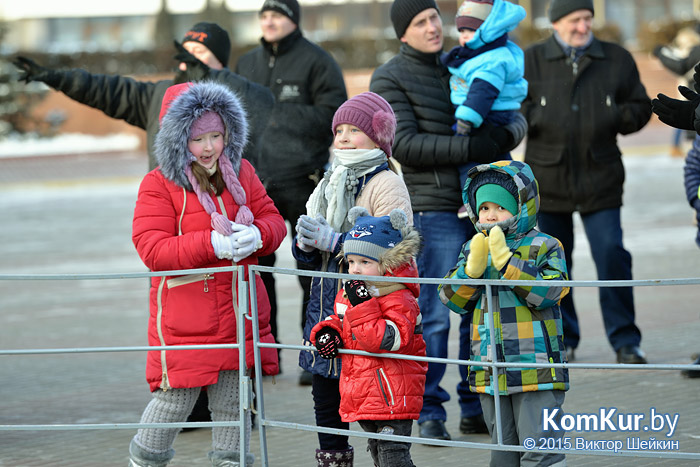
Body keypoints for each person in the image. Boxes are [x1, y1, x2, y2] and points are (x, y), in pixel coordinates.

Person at [370, 0, 527, 441]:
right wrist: (475, 149)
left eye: (434, 17)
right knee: (436, 313)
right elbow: (406, 146)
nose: (432, 27)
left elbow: (512, 108)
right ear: (403, 33)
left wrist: (507, 134)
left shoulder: (465, 56)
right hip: (434, 205)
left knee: (480, 309)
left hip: (483, 205)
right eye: (420, 22)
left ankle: (474, 404)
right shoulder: (390, 77)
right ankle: (430, 410)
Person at [128, 81, 286, 467]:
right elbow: (152, 248)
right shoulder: (158, 185)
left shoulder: (242, 172)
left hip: (239, 312)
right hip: (188, 320)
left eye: (217, 135)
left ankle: (231, 462)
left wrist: (258, 234)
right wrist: (210, 244)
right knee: (175, 399)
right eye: (198, 139)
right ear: (178, 138)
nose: (210, 147)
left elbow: (274, 221)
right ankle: (145, 460)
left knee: (235, 401)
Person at [521, 0, 651, 364]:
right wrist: (537, 115)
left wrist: (611, 113)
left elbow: (640, 107)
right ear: (556, 23)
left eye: (588, 19)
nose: (583, 26)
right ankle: (563, 340)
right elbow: (514, 105)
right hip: (547, 179)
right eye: (575, 20)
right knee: (553, 265)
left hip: (601, 177)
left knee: (612, 255)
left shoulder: (617, 58)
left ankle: (626, 341)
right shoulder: (531, 59)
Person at [293, 91, 412, 466]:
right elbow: (310, 262)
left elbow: (398, 250)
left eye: (353, 129)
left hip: (368, 311)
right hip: (326, 309)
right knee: (326, 399)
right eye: (338, 129)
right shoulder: (331, 179)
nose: (342, 137)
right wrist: (305, 244)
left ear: (378, 136)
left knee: (372, 401)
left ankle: (389, 459)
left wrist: (339, 241)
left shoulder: (386, 183)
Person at [235, 1, 348, 378]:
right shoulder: (247, 63)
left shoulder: (317, 61)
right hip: (256, 183)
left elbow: (334, 115)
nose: (269, 20)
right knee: (258, 272)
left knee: (311, 270)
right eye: (264, 14)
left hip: (304, 181)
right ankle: (263, 358)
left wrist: (277, 113)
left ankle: (313, 348)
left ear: (293, 19)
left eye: (278, 14)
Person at [439, 160, 570, 467]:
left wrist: (507, 263)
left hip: (535, 367)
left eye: (501, 206)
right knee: (503, 452)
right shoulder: (474, 247)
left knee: (541, 450)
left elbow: (551, 293)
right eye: (484, 207)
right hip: (490, 368)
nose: (491, 215)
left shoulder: (544, 245)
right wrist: (471, 272)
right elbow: (449, 299)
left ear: (521, 206)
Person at [13, 22, 274, 171]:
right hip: (174, 210)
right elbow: (107, 90)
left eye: (200, 52)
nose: (190, 59)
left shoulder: (240, 93)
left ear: (221, 60)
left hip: (228, 213)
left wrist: (210, 78)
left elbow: (262, 105)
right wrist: (57, 78)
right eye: (187, 51)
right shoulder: (159, 94)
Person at [310, 207, 427, 467]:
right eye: (351, 262)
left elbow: (386, 340)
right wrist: (327, 334)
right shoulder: (352, 292)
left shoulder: (400, 297)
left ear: (387, 264)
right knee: (377, 453)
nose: (355, 269)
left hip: (393, 392)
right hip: (363, 389)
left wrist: (362, 305)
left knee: (393, 457)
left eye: (365, 262)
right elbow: (340, 322)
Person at [441, 0, 527, 217]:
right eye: (461, 31)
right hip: (488, 112)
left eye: (471, 31)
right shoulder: (484, 52)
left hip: (485, 113)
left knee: (469, 158)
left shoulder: (491, 60)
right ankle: (503, 194)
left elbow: (483, 91)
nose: (464, 37)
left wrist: (466, 119)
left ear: (489, 31)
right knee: (496, 157)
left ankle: (472, 199)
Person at [652, 24, 700, 157]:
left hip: (692, 94)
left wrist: (661, 52)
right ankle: (676, 147)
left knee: (684, 116)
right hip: (691, 94)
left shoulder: (696, 50)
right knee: (683, 116)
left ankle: (676, 146)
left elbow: (681, 66)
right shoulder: (692, 51)